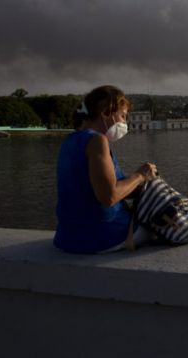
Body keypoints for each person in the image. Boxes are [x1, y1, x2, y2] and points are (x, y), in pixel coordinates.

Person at [53, 85, 156, 253]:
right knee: (174, 225)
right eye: (123, 116)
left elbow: (95, 188)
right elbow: (108, 196)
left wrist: (139, 186)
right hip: (101, 237)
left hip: (67, 238)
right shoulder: (97, 141)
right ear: (107, 112)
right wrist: (140, 175)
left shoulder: (70, 141)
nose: (124, 122)